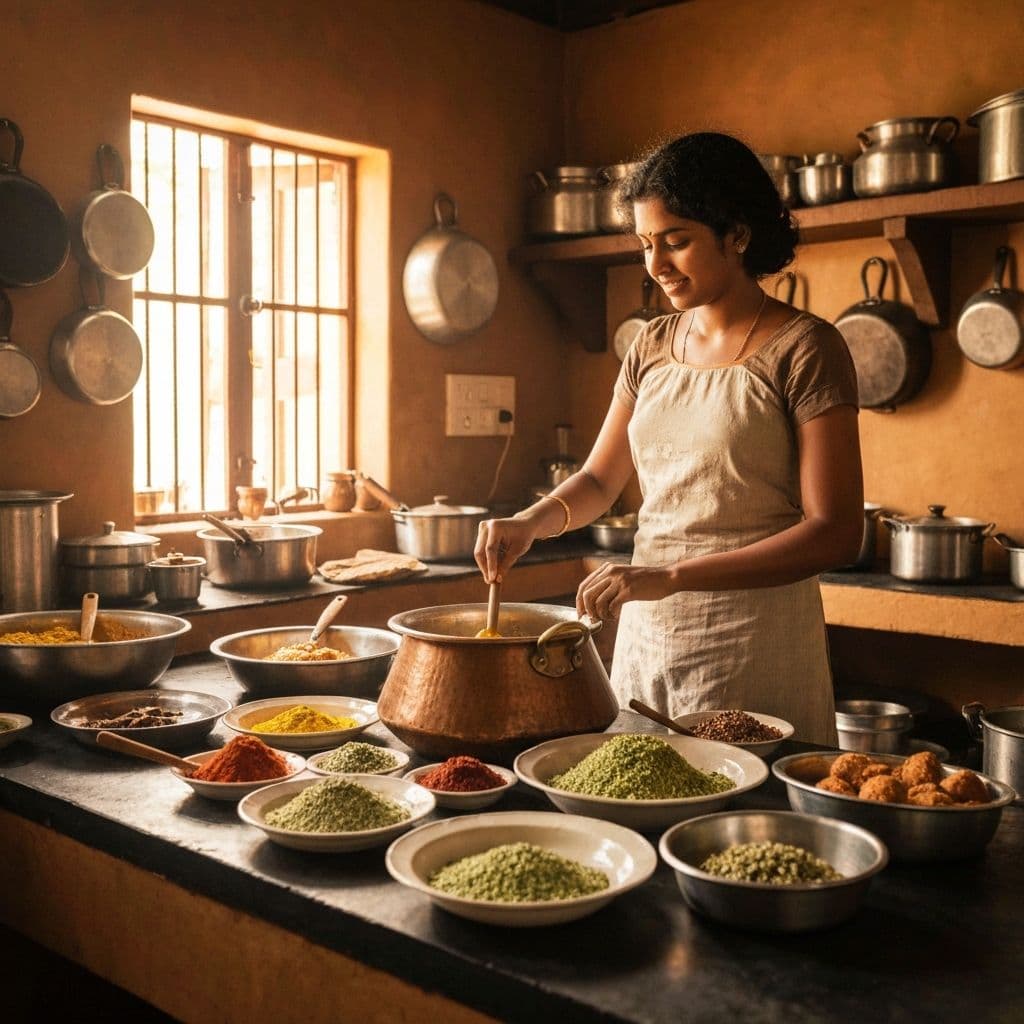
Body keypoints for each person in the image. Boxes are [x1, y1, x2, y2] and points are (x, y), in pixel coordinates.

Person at [476, 131, 864, 744]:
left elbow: (837, 531)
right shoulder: (651, 345)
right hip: (649, 636)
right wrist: (529, 521)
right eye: (645, 244)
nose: (656, 265)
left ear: (736, 234)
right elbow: (602, 479)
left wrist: (672, 575)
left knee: (736, 831)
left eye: (676, 241)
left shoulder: (806, 349)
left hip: (753, 641)